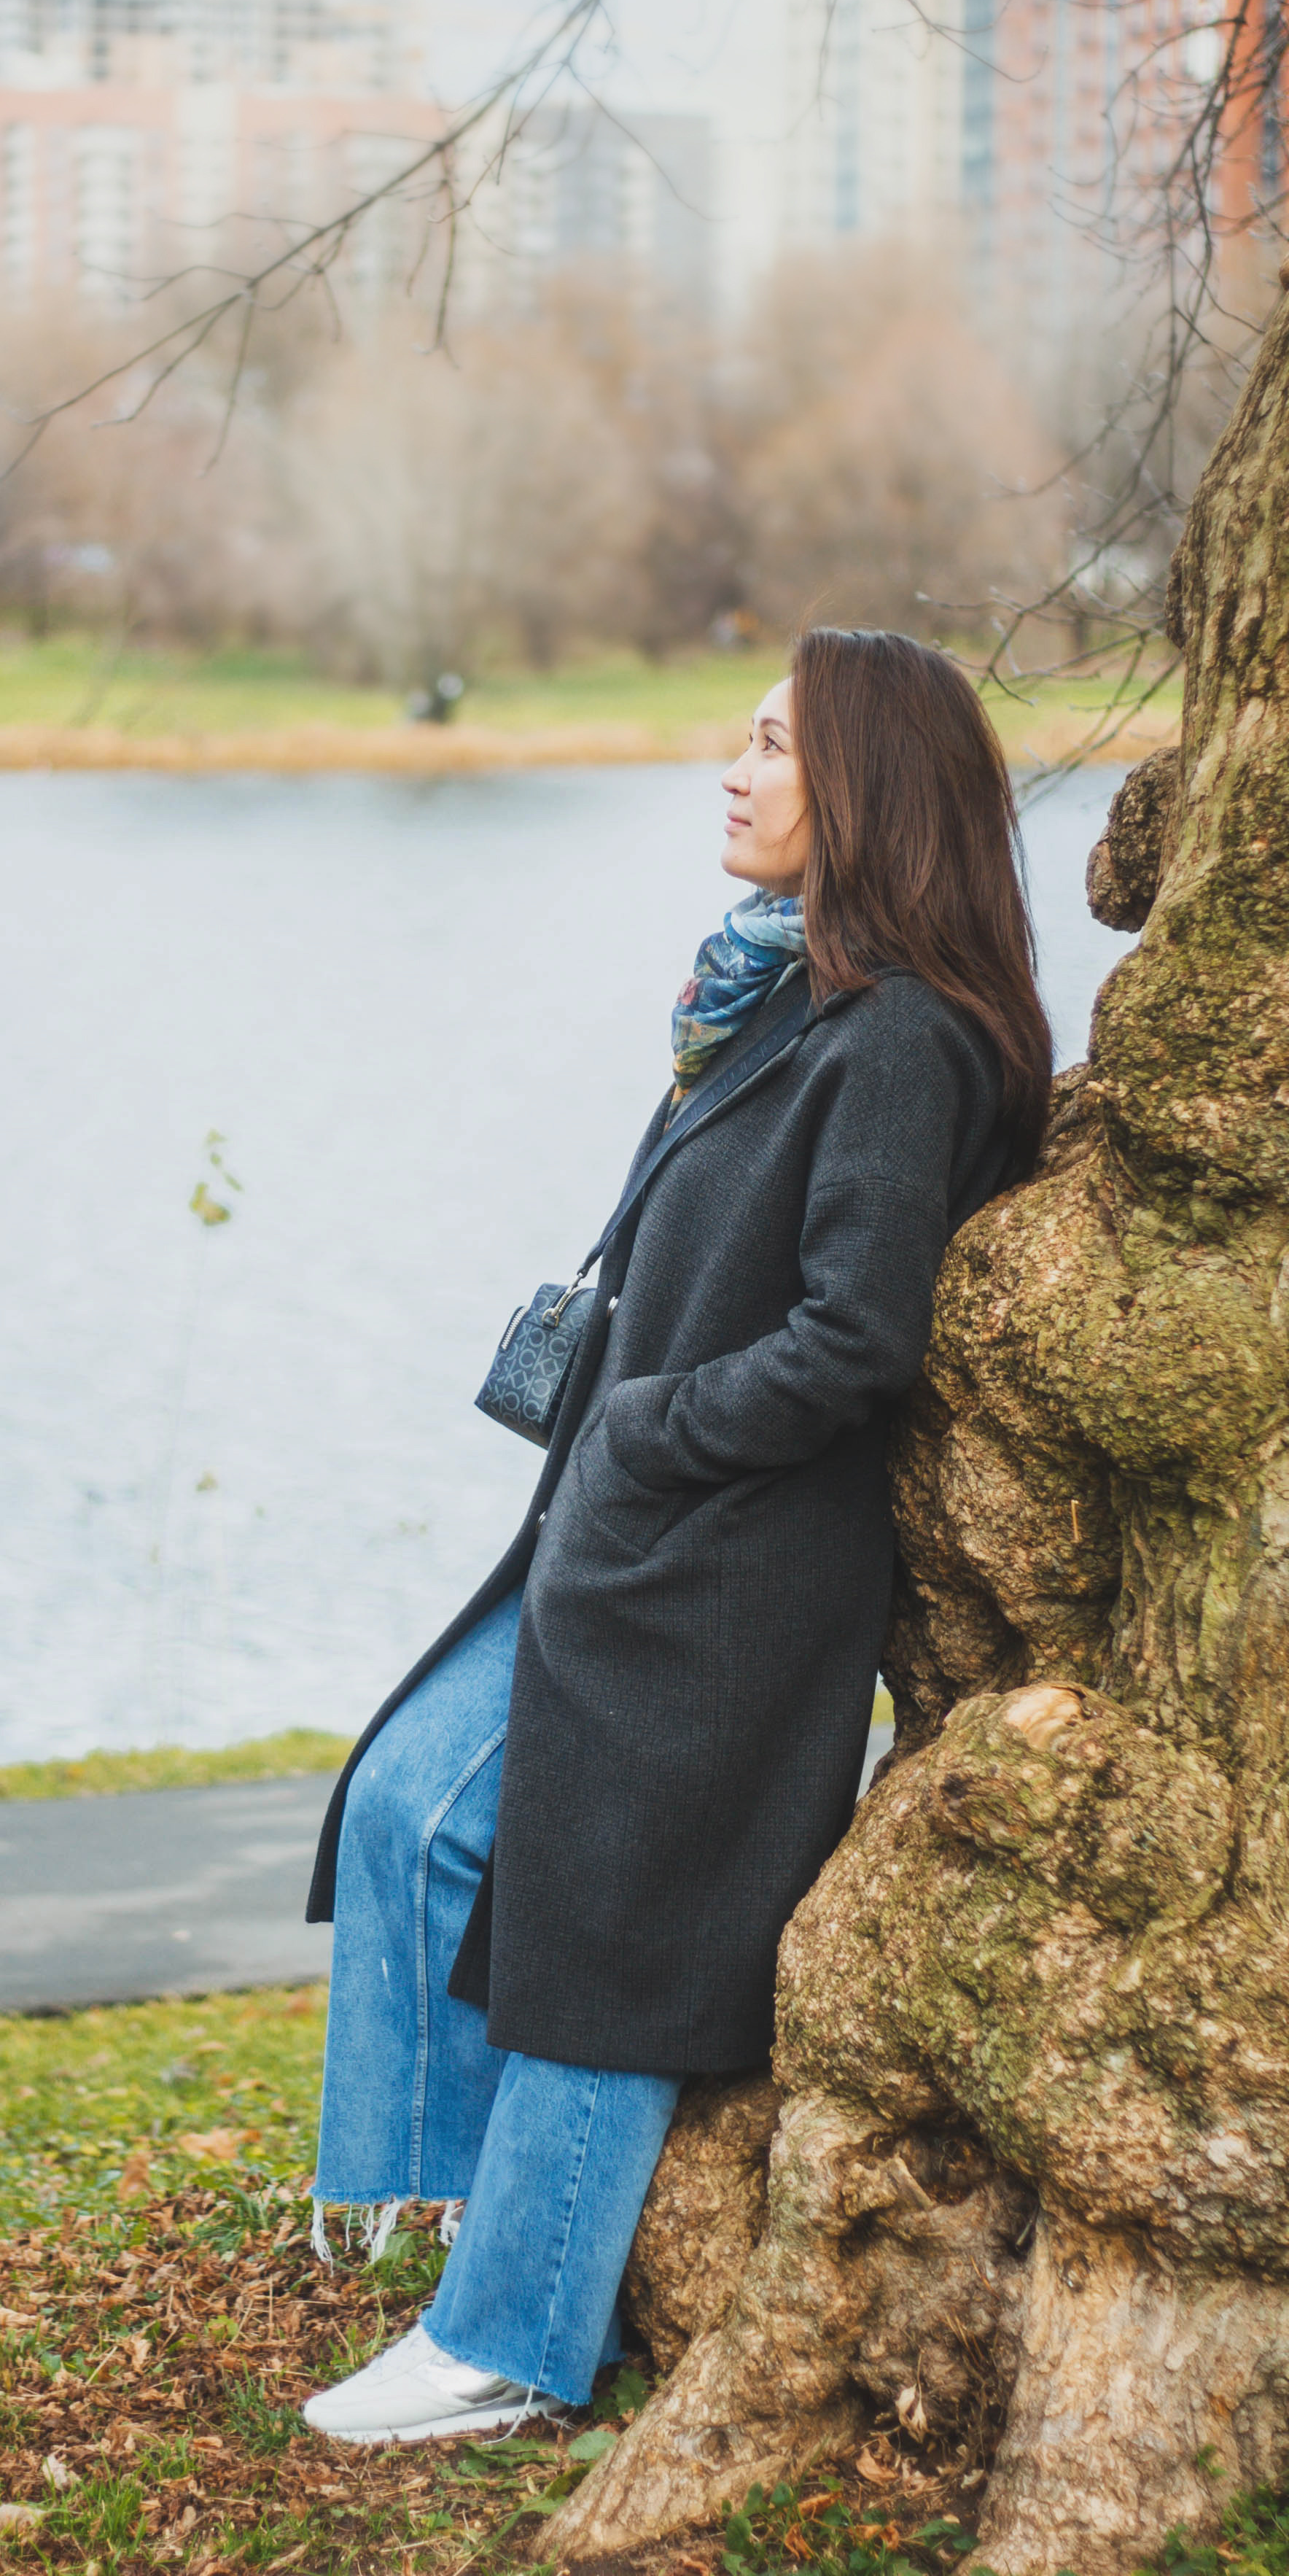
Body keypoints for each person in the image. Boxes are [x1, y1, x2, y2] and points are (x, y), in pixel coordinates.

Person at [299, 627, 1054, 2445]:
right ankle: (479, 2223)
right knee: (417, 1805)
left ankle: (511, 2344)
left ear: (864, 786)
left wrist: (644, 1429)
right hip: (629, 1539)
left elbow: (854, 1343)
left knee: (618, 1948)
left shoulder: (900, 1046)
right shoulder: (784, 1000)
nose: (734, 767)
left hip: (733, 1585)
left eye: (776, 743)